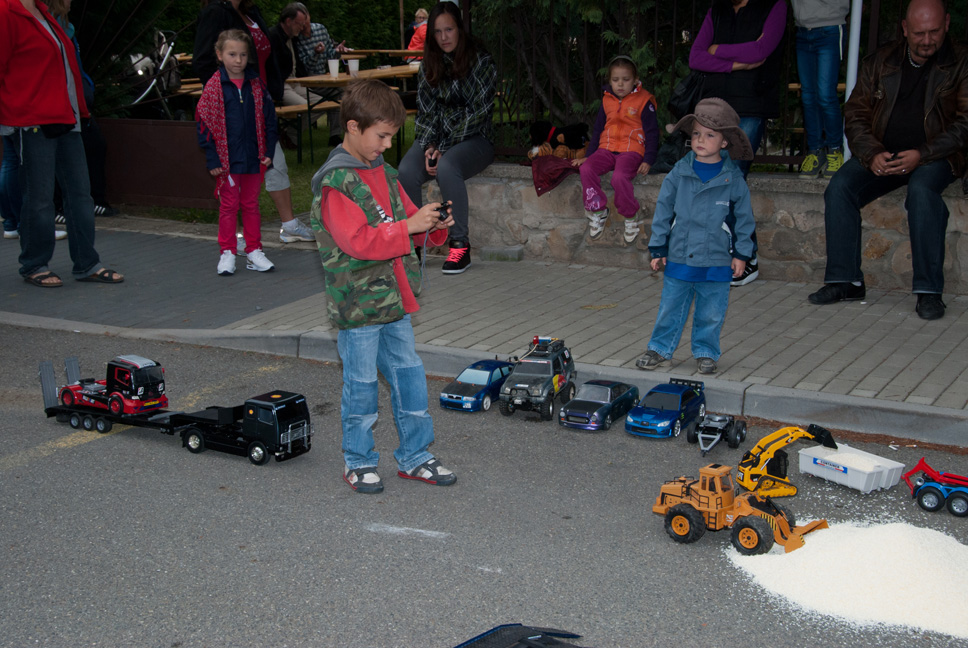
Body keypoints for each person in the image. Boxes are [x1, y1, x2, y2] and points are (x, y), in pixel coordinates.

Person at [309, 79, 456, 494]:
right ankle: (358, 461)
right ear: (353, 127)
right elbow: (358, 242)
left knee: (410, 378)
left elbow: (408, 221)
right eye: (382, 136)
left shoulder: (384, 173)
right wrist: (409, 226)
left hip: (394, 302)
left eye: (392, 136)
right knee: (361, 387)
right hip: (358, 306)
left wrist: (433, 225)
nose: (388, 145)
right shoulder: (336, 183)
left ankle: (415, 456)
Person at [807, 0, 968, 321]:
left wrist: (922, 154)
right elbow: (856, 114)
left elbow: (965, 124)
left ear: (947, 24)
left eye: (934, 31)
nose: (927, 40)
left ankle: (929, 291)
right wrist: (872, 153)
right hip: (884, 153)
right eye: (919, 33)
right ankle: (846, 281)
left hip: (937, 155)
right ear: (905, 29)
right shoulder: (881, 61)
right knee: (840, 187)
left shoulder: (962, 61)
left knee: (922, 190)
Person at [0, 0, 122, 288]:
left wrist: (80, 109)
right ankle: (35, 264)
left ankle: (87, 263)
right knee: (39, 197)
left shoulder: (43, 11)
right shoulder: (7, 11)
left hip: (65, 117)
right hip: (30, 119)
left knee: (80, 195)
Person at [635, 98, 755, 375]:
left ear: (725, 142)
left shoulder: (733, 179)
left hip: (717, 259)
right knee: (670, 307)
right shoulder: (679, 172)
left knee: (711, 311)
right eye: (697, 133)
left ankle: (706, 352)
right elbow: (664, 211)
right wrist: (658, 248)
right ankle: (659, 348)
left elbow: (744, 220)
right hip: (679, 255)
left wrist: (741, 254)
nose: (701, 140)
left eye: (710, 135)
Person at [193, 0, 315, 246]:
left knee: (275, 161)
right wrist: (224, 94)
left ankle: (289, 225)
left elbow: (267, 55)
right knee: (233, 172)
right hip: (231, 108)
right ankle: (235, 234)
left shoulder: (252, 12)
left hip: (257, 100)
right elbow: (203, 60)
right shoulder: (216, 13)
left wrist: (269, 90)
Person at [689, 0, 787, 286]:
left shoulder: (775, 5)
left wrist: (716, 50)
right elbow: (695, 57)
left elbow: (761, 51)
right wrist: (737, 64)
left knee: (732, 178)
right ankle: (722, 256)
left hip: (751, 106)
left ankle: (747, 257)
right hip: (715, 107)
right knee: (713, 179)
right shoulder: (717, 9)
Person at [398, 1, 496, 275]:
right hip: (438, 140)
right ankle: (415, 244)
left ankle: (460, 245)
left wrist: (443, 148)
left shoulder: (481, 61)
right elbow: (426, 112)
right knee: (406, 171)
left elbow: (480, 112)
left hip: (475, 138)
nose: (444, 37)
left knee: (447, 167)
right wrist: (430, 145)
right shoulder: (429, 64)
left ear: (459, 29)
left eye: (449, 30)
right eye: (438, 32)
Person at [197, 30, 277, 276]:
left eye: (243, 54)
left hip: (254, 156)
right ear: (219, 55)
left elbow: (269, 120)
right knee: (229, 206)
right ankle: (227, 252)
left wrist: (269, 150)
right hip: (227, 160)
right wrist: (213, 157)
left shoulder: (257, 85)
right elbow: (204, 124)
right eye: (232, 54)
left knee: (251, 204)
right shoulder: (213, 88)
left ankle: (254, 250)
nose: (238, 60)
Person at [573, 55, 659, 244]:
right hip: (606, 149)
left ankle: (631, 216)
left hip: (631, 151)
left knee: (619, 177)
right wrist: (589, 156)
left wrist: (648, 159)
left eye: (626, 79)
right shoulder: (607, 100)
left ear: (635, 80)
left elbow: (653, 133)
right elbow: (598, 130)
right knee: (586, 169)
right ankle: (598, 210)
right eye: (615, 80)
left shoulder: (644, 101)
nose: (620, 84)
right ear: (610, 81)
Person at [792, 0, 849, 178]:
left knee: (825, 95)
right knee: (808, 96)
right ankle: (815, 151)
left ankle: (834, 149)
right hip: (802, 29)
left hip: (829, 27)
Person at [291, 6, 350, 145]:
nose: (303, 25)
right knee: (325, 101)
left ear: (309, 16)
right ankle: (291, 133)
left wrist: (337, 51)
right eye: (300, 22)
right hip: (307, 79)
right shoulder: (296, 38)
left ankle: (335, 135)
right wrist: (315, 53)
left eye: (305, 20)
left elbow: (330, 55)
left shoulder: (320, 29)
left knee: (340, 93)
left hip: (323, 76)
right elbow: (303, 66)